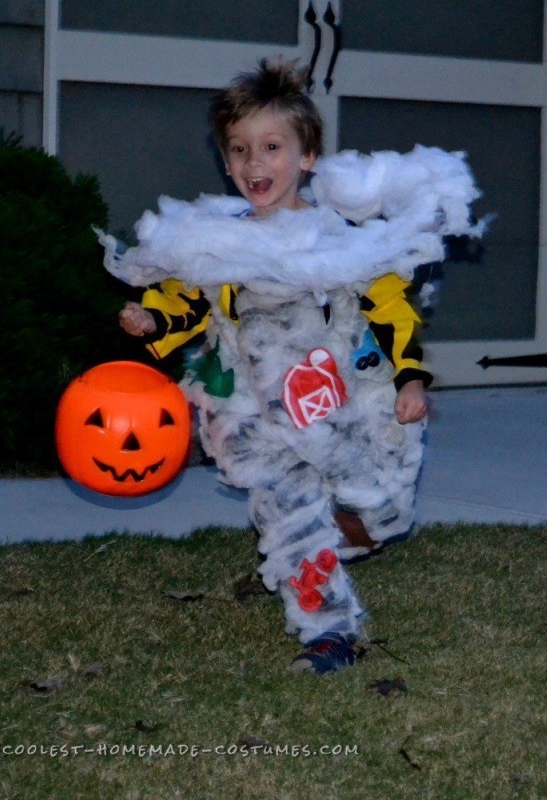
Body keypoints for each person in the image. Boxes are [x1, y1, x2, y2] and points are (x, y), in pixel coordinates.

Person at [106, 59, 481, 673]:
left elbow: (389, 310)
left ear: (307, 157)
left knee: (385, 515)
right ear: (226, 162)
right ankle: (325, 628)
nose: (256, 165)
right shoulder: (217, 246)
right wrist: (151, 320)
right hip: (258, 418)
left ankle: (309, 554)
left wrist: (409, 376)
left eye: (272, 147)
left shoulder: (341, 241)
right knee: (292, 512)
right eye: (240, 150)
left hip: (342, 406)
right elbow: (184, 303)